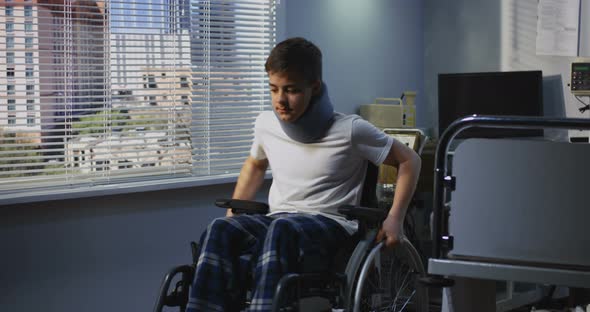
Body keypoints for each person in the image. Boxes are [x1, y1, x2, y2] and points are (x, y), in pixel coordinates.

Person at [187, 37, 421, 312]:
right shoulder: (265, 124)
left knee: (281, 229)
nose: (280, 100)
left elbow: (410, 160)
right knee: (220, 229)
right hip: (279, 221)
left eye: (292, 90)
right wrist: (234, 213)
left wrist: (395, 218)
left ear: (315, 87)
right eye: (273, 89)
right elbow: (255, 164)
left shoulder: (351, 129)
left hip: (330, 226)